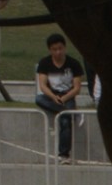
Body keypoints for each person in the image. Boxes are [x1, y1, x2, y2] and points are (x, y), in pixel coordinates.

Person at [35, 33, 84, 164]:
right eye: (54, 49)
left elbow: (77, 88)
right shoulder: (44, 63)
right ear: (50, 50)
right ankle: (69, 112)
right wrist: (53, 97)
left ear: (65, 48)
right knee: (39, 99)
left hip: (68, 96)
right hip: (52, 96)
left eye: (60, 48)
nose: (58, 52)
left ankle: (64, 155)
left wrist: (65, 97)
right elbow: (43, 85)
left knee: (65, 122)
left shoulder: (74, 64)